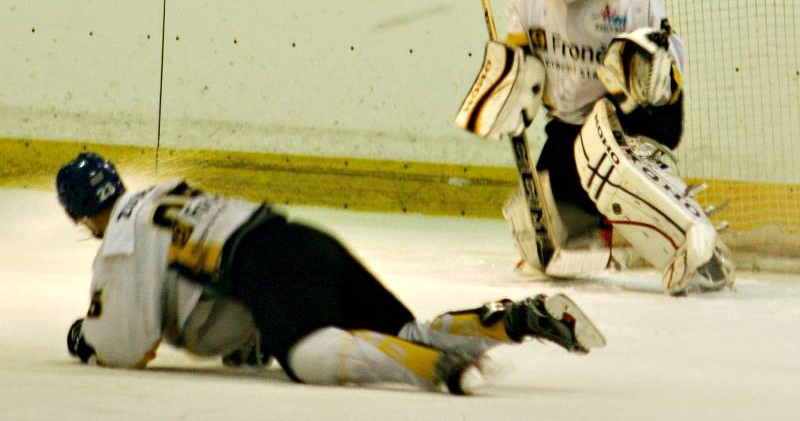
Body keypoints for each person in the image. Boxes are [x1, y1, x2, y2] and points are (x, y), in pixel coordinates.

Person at [58, 151, 606, 395]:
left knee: (306, 357)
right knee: (404, 325)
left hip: (265, 267)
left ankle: (431, 367)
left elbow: (128, 346)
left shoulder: (120, 243)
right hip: (306, 241)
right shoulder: (160, 195)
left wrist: (86, 337)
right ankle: (507, 322)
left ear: (79, 215)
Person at [455, 0, 734, 295]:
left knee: (614, 175)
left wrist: (640, 82)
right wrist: (512, 82)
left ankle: (698, 249)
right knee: (549, 222)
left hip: (633, 113)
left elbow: (666, 73)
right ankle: (596, 225)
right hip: (571, 120)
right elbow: (521, 49)